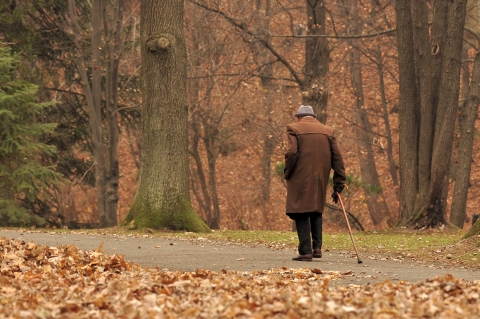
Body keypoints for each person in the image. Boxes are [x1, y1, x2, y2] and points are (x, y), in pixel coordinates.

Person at [284, 105, 346, 261]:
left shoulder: (294, 128)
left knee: (300, 209)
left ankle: (305, 251)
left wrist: (288, 171)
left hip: (299, 175)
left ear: (298, 117)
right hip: (320, 176)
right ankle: (317, 248)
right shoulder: (328, 131)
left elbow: (292, 153)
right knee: (316, 208)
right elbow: (337, 157)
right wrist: (339, 180)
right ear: (313, 117)